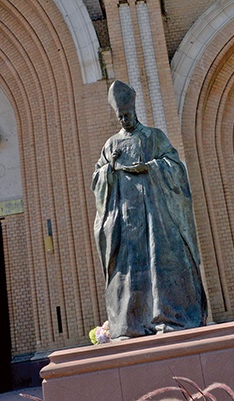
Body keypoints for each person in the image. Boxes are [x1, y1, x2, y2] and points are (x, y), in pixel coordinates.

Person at [92, 80, 207, 340]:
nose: (124, 120)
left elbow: (174, 166)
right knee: (130, 270)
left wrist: (150, 167)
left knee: (162, 263)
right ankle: (131, 324)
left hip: (157, 218)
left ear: (135, 112)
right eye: (120, 116)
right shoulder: (111, 145)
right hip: (126, 219)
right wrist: (109, 170)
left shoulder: (154, 136)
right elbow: (98, 179)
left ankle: (169, 317)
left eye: (128, 115)